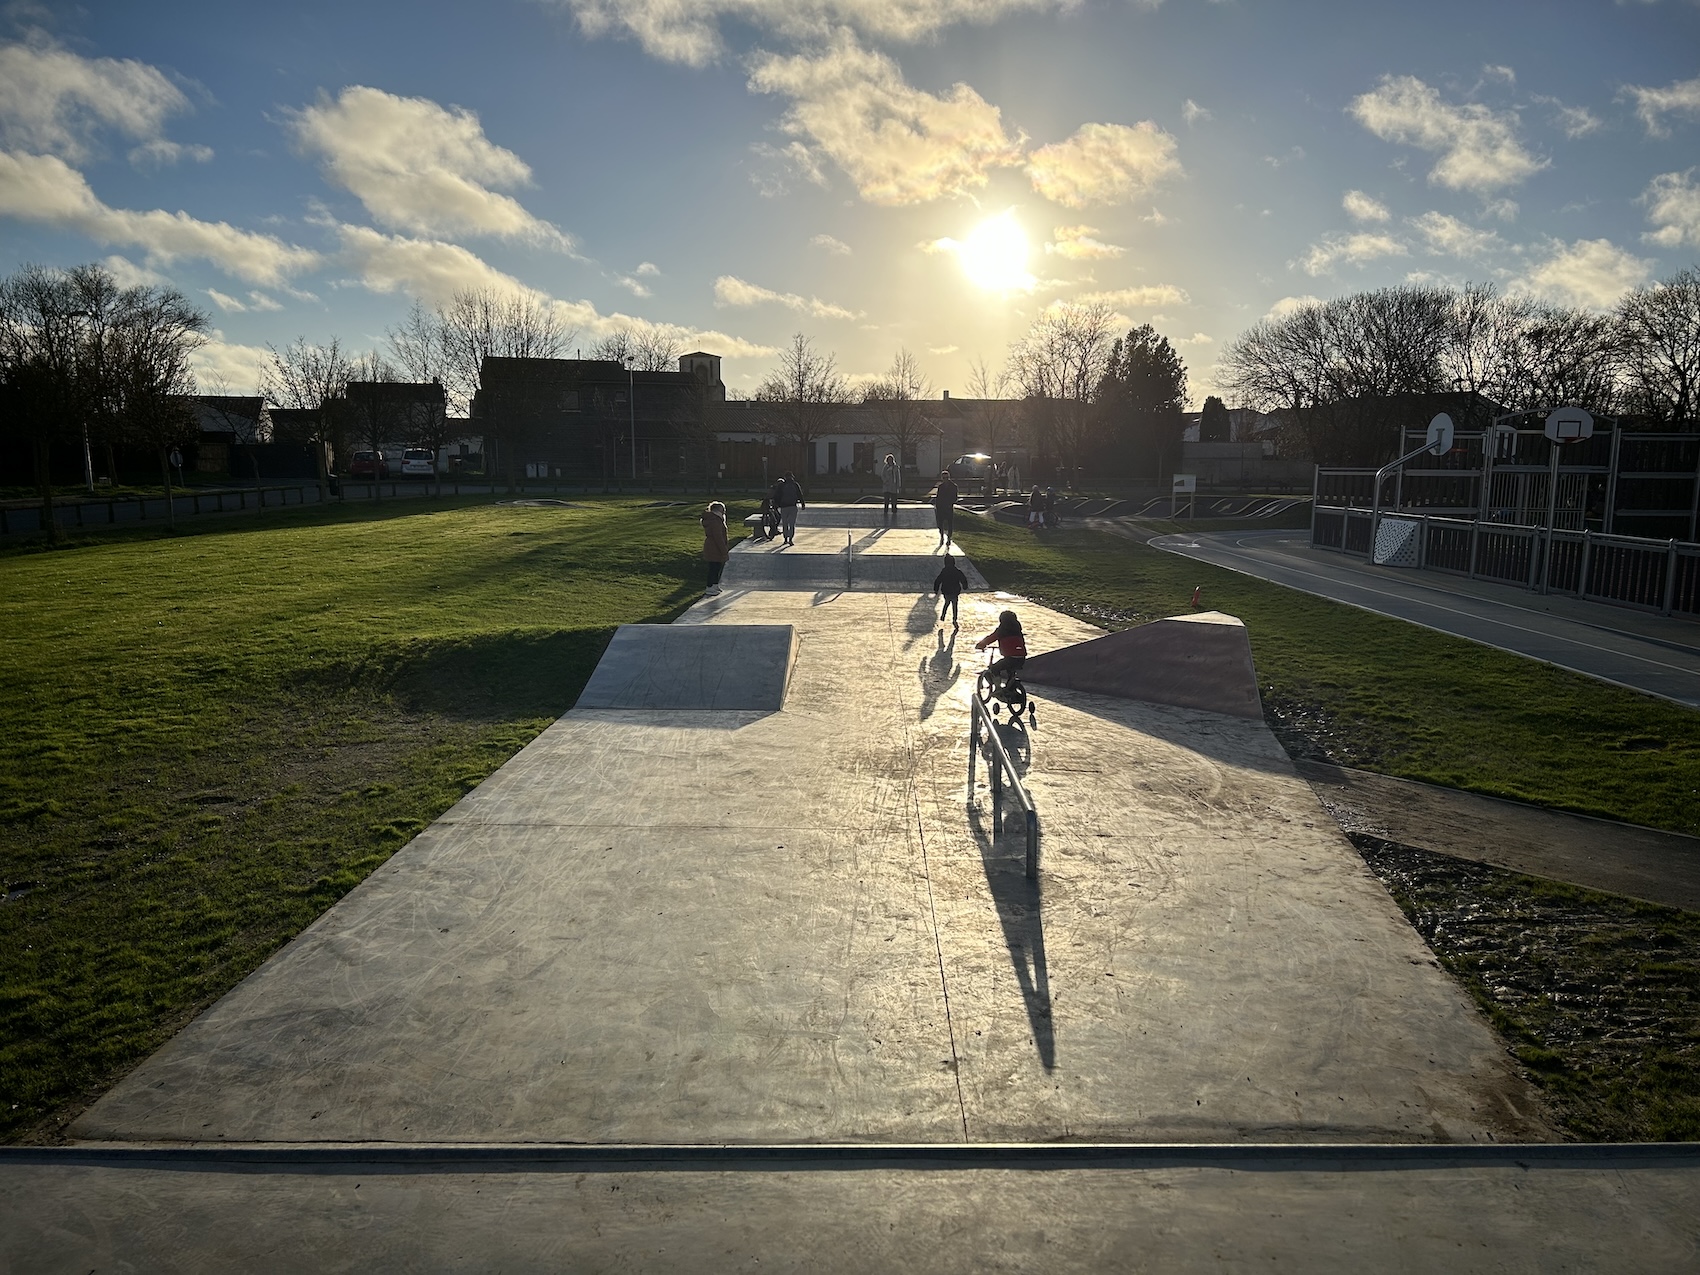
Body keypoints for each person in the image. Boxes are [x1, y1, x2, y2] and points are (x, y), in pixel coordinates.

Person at [974, 609, 1027, 686]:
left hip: (1010, 658)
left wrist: (981, 645)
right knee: (1011, 671)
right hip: (1021, 658)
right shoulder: (1018, 631)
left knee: (994, 669)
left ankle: (997, 688)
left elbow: (990, 638)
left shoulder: (1002, 631)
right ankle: (1010, 688)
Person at [700, 501, 729, 596]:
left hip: (712, 545)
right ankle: (710, 586)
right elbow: (718, 536)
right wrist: (724, 550)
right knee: (714, 567)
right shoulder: (715, 520)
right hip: (714, 547)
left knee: (717, 566)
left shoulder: (716, 519)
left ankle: (715, 585)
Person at [933, 552, 968, 629]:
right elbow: (963, 578)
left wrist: (936, 589)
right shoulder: (956, 571)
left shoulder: (944, 571)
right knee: (954, 605)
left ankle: (943, 615)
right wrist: (965, 585)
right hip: (955, 591)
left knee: (946, 603)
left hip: (947, 591)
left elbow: (938, 580)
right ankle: (954, 619)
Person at [776, 469, 805, 546]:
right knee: (792, 524)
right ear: (792, 477)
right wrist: (803, 504)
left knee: (785, 524)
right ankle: (791, 540)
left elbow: (777, 495)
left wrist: (777, 505)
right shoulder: (795, 484)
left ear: (785, 477)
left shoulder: (781, 485)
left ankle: (785, 539)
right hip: (793, 506)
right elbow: (800, 494)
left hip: (784, 507)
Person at [933, 469, 958, 548]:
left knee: (950, 524)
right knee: (940, 524)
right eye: (944, 478)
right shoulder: (941, 487)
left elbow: (955, 497)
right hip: (941, 508)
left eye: (946, 478)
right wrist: (937, 506)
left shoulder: (953, 486)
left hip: (948, 507)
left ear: (949, 477)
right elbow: (938, 497)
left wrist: (949, 503)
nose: (945, 479)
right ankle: (941, 536)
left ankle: (949, 538)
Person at [880, 453, 901, 520]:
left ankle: (894, 510)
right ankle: (885, 510)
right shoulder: (885, 467)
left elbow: (898, 477)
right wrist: (885, 481)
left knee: (894, 500)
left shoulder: (896, 467)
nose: (890, 461)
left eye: (891, 459)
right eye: (888, 459)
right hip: (887, 486)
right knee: (886, 500)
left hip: (893, 486)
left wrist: (898, 485)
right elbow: (882, 475)